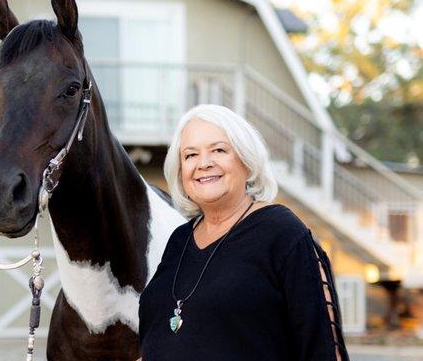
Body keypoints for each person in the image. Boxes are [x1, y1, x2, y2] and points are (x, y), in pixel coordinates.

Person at [137, 104, 349, 360]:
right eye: (190, 155)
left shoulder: (282, 232)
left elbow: (322, 348)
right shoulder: (179, 240)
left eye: (218, 150)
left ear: (246, 162)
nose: (203, 163)